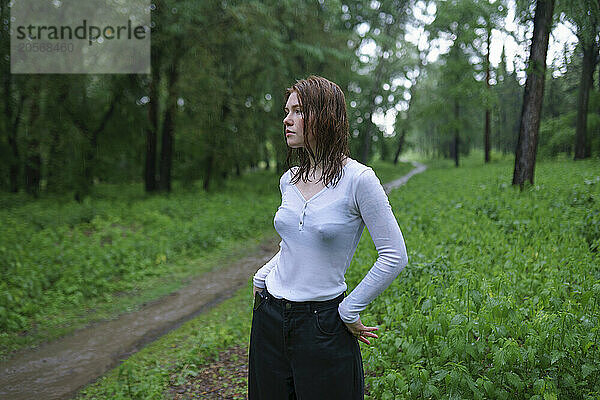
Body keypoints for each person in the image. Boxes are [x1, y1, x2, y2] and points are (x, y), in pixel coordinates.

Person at [248, 75, 408, 400]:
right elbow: (293, 243)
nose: (286, 119)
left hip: (322, 326)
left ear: (323, 116)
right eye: (286, 111)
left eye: (297, 111)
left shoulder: (359, 179)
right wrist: (262, 274)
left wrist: (349, 310)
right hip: (269, 318)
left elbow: (394, 255)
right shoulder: (289, 179)